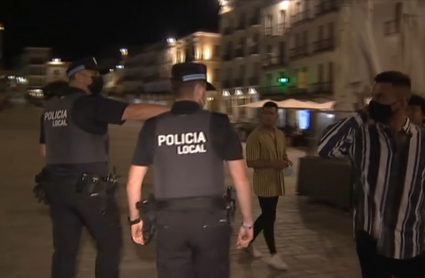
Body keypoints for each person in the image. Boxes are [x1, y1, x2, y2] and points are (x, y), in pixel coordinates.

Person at [39, 56, 170, 278]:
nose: (98, 79)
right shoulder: (89, 103)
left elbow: (45, 150)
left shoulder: (51, 108)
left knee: (64, 251)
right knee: (110, 245)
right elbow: (134, 112)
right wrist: (175, 109)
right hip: (90, 190)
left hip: (56, 189)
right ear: (80, 76)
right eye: (94, 75)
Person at [126, 62, 254, 278]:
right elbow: (241, 179)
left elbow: (133, 182)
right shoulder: (219, 123)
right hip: (211, 221)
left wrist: (135, 219)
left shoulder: (153, 126)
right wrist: (248, 223)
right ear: (199, 90)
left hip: (169, 223)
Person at [318, 71, 425, 278]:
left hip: (411, 244)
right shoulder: (362, 136)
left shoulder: (422, 141)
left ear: (402, 102)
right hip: (370, 243)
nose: (374, 102)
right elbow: (325, 148)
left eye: (381, 97)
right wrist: (361, 114)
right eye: (373, 96)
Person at [244, 101, 292, 270]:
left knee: (267, 216)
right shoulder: (255, 136)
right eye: (265, 113)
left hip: (277, 181)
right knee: (269, 217)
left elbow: (283, 153)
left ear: (276, 116)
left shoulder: (279, 134)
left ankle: (247, 241)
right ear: (261, 115)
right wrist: (274, 163)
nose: (268, 116)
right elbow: (251, 162)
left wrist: (285, 160)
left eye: (271, 113)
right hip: (264, 182)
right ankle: (274, 255)